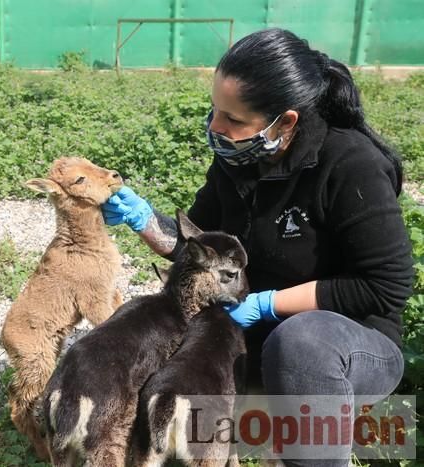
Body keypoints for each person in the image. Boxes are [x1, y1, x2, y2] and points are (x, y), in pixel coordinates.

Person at [102, 28, 413, 466]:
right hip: (256, 340)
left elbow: (386, 286)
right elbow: (201, 248)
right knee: (154, 324)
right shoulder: (238, 156)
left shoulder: (350, 165)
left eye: (232, 118)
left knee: (301, 340)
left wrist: (269, 303)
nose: (215, 126)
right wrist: (145, 221)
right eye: (215, 111)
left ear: (284, 122)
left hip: (343, 345)